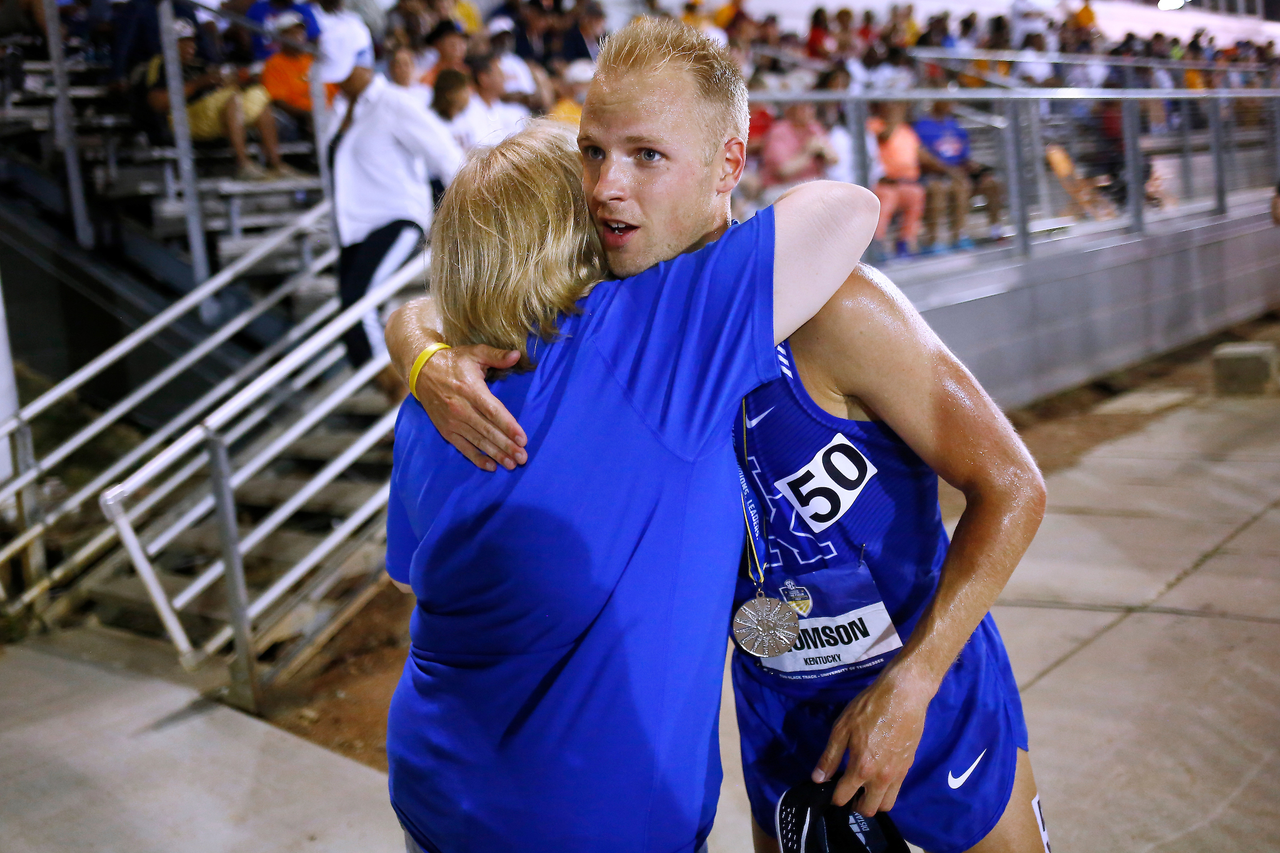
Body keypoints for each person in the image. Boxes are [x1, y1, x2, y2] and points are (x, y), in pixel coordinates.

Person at [388, 16, 1052, 853]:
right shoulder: (606, 341)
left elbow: (1015, 486)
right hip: (780, 716)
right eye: (591, 152)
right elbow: (440, 300)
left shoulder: (834, 311)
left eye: (646, 155)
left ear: (728, 164)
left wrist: (914, 683)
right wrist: (420, 346)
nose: (603, 186)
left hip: (925, 688)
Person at [328, 37, 463, 400]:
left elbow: (443, 153)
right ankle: (398, 399)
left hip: (395, 217)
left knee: (359, 306)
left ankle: (406, 400)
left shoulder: (394, 102)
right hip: (352, 228)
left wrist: (469, 213)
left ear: (363, 65)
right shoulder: (340, 107)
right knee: (350, 320)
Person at [142, 17, 291, 181]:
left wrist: (237, 80)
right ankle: (243, 165)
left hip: (212, 114)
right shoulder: (160, 64)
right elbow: (156, 103)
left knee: (258, 95)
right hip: (183, 120)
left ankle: (277, 165)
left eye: (191, 41)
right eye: (183, 42)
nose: (190, 46)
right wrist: (198, 84)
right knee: (233, 99)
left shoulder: (198, 64)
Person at [913, 99, 1003, 248]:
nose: (952, 103)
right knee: (961, 186)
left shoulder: (954, 124)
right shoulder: (922, 127)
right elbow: (923, 159)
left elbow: (964, 156)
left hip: (959, 171)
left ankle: (996, 230)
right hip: (937, 174)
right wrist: (949, 171)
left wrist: (975, 168)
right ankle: (957, 236)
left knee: (991, 183)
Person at [867, 101, 926, 257]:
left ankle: (905, 242)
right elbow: (883, 138)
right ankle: (875, 243)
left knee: (917, 194)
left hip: (905, 183)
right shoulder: (873, 124)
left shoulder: (906, 129)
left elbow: (920, 153)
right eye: (892, 105)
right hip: (880, 182)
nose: (896, 109)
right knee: (888, 196)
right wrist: (894, 118)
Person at [450, 51, 530, 149]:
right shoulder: (466, 111)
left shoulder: (507, 110)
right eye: (499, 74)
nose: (504, 78)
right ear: (484, 78)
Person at [260, 11, 315, 124]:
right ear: (281, 37)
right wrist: (307, 115)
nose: (299, 36)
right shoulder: (274, 64)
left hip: (328, 113)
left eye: (301, 31)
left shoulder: (312, 58)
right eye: (293, 33)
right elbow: (279, 102)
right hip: (300, 120)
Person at [245, 0, 320, 59]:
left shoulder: (304, 10)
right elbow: (245, 35)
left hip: (294, 61)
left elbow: (314, 41)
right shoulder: (257, 8)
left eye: (299, 32)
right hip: (260, 59)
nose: (297, 35)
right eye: (292, 32)